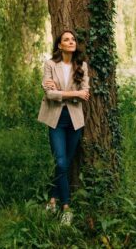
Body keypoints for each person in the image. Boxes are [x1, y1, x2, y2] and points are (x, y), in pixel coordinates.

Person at [37, 29, 90, 226]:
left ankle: (52, 199)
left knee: (64, 163)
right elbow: (50, 95)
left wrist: (60, 92)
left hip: (75, 120)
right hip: (56, 119)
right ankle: (66, 207)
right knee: (60, 161)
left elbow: (85, 92)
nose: (70, 41)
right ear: (59, 45)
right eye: (66, 39)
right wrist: (72, 94)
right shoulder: (51, 65)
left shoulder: (81, 65)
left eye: (73, 39)